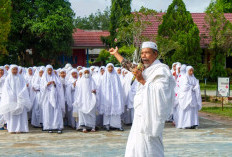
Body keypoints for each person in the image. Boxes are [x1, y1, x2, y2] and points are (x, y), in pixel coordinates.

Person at [109, 41, 175, 157]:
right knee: (136, 145)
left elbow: (161, 91)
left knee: (150, 146)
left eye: (147, 53)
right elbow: (128, 66)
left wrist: (142, 80)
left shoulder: (161, 70)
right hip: (140, 115)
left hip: (151, 117)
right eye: (142, 53)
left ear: (155, 54)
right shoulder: (145, 68)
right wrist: (116, 54)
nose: (143, 56)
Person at [0, 65, 32, 134]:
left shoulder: (21, 77)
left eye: (16, 69)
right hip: (12, 99)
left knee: (20, 114)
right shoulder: (8, 78)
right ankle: (12, 129)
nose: (15, 71)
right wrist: (12, 95)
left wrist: (20, 95)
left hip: (20, 99)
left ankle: (20, 129)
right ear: (11, 70)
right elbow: (6, 89)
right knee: (13, 115)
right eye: (13, 69)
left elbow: (24, 88)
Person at [98, 63, 124, 131]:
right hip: (107, 97)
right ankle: (107, 125)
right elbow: (101, 88)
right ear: (107, 68)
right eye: (109, 67)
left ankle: (117, 125)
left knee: (116, 109)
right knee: (107, 109)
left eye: (111, 67)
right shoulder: (104, 77)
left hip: (115, 96)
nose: (110, 68)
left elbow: (119, 87)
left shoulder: (116, 76)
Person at [40, 65, 65, 134]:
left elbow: (60, 87)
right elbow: (41, 88)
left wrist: (55, 84)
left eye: (51, 70)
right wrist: (46, 84)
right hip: (47, 98)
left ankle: (58, 126)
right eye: (48, 70)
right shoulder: (43, 78)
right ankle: (49, 127)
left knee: (56, 111)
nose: (50, 71)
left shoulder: (56, 78)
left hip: (55, 98)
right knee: (48, 112)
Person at [73, 68, 97, 133]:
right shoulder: (80, 81)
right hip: (82, 100)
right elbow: (77, 91)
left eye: (87, 72)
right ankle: (84, 128)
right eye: (85, 72)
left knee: (91, 113)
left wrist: (95, 91)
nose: (86, 74)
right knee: (82, 113)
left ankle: (92, 127)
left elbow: (96, 89)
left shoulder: (92, 81)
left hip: (90, 99)